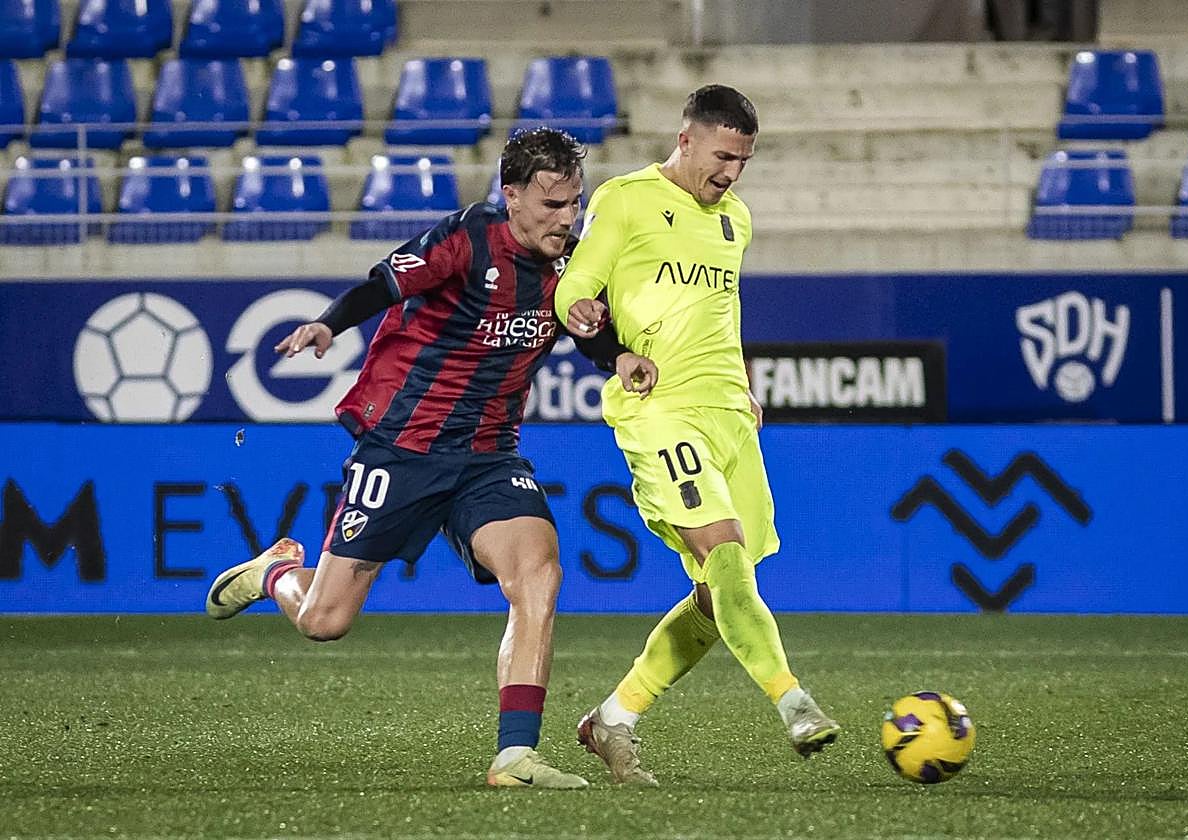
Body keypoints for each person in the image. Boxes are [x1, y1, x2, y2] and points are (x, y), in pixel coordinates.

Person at [204, 128, 657, 790]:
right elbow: (383, 285)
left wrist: (617, 356)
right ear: (511, 195)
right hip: (403, 448)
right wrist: (329, 323)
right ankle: (276, 572)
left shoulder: (572, 264)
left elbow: (583, 326)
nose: (568, 218)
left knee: (538, 575)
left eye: (574, 203)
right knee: (325, 621)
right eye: (553, 204)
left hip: (490, 454)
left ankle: (515, 755)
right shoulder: (468, 238)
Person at [554, 85, 841, 786]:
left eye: (743, 161)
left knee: (720, 597)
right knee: (725, 553)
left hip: (729, 416)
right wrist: (586, 315)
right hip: (659, 411)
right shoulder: (625, 200)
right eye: (722, 157)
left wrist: (741, 386)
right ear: (685, 141)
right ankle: (793, 702)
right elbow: (574, 283)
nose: (731, 174)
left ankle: (614, 717)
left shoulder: (735, 220)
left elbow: (720, 312)